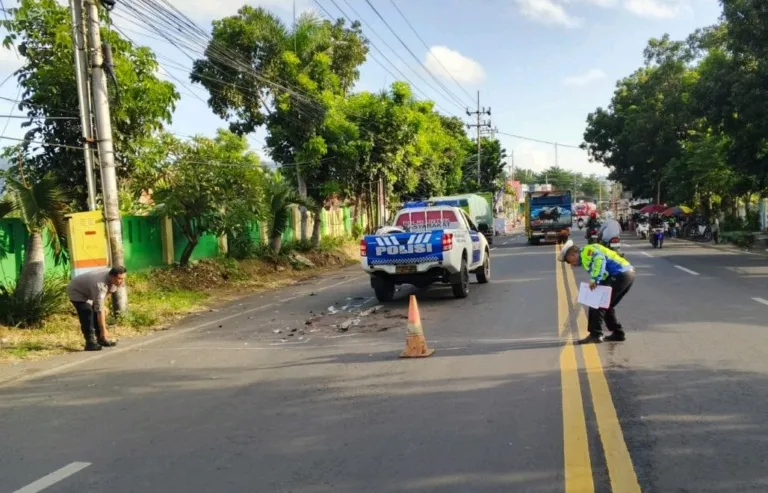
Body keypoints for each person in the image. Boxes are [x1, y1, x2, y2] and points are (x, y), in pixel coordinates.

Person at [559, 240, 635, 344]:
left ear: (573, 254)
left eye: (570, 261)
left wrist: (595, 279)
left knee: (597, 304)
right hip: (625, 275)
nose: (572, 264)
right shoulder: (586, 255)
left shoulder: (587, 251)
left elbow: (600, 259)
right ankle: (618, 333)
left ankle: (595, 335)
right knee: (607, 305)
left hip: (619, 274)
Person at [67, 266, 127, 351]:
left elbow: (109, 291)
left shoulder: (116, 280)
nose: (122, 281)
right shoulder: (100, 284)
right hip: (77, 291)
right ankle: (90, 342)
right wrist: (104, 329)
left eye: (123, 278)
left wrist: (103, 304)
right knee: (88, 312)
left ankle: (101, 339)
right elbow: (99, 309)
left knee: (97, 310)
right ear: (112, 277)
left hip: (90, 291)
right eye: (120, 279)